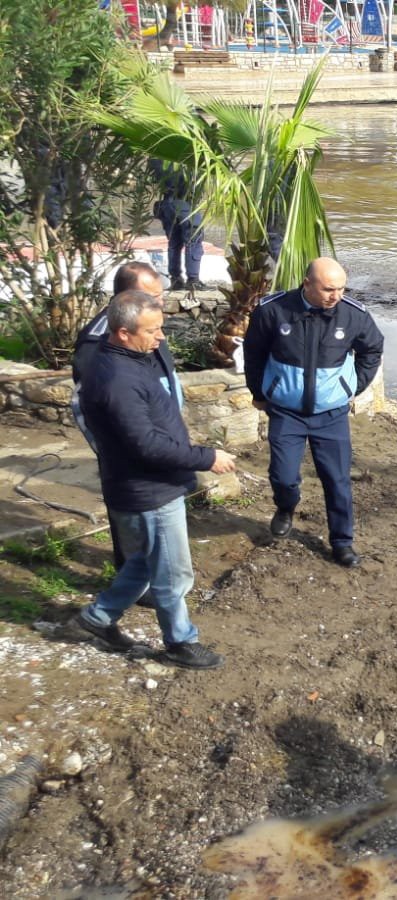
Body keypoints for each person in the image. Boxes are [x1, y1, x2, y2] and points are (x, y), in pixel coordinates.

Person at [73, 290, 235, 670]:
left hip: (142, 486)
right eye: (152, 331)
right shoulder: (117, 380)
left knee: (145, 563)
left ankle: (97, 618)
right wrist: (206, 457)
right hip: (148, 491)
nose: (160, 337)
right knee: (173, 573)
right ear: (123, 333)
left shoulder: (129, 359)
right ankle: (180, 642)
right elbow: (145, 445)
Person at [243, 258, 384, 568]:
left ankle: (342, 542)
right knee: (282, 475)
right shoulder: (273, 310)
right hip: (286, 412)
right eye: (328, 289)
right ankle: (285, 506)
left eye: (341, 288)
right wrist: (259, 393)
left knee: (336, 480)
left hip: (330, 415)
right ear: (307, 284)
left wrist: (352, 387)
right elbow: (253, 352)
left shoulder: (353, 315)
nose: (336, 295)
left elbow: (372, 349)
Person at [72, 262, 182, 589]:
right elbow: (93, 409)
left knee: (157, 517)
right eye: (151, 296)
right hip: (129, 447)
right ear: (125, 297)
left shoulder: (147, 322)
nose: (158, 303)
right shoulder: (96, 345)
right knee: (131, 517)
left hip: (157, 438)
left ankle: (153, 576)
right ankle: (133, 582)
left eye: (160, 295)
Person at [151, 159, 206, 290]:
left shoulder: (155, 155)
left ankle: (176, 279)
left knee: (174, 243)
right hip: (183, 203)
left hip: (166, 204)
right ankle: (193, 280)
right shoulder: (183, 155)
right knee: (193, 239)